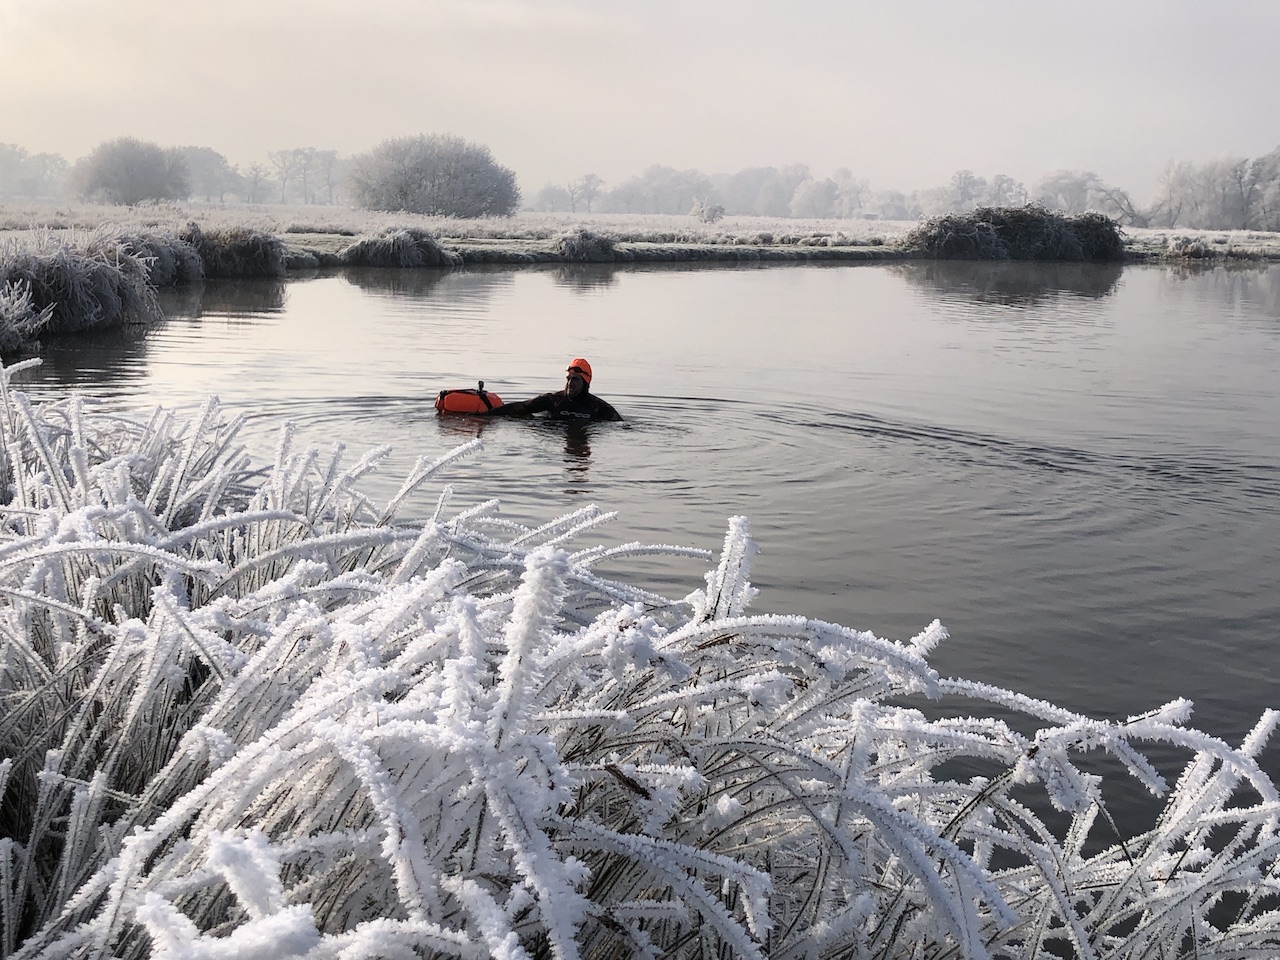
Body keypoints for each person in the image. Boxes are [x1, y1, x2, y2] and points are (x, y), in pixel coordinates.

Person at [484, 358, 622, 421]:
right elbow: (521, 407)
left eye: (575, 379)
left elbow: (623, 427)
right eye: (568, 378)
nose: (570, 383)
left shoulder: (598, 408)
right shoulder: (553, 400)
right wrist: (484, 416)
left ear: (586, 383)